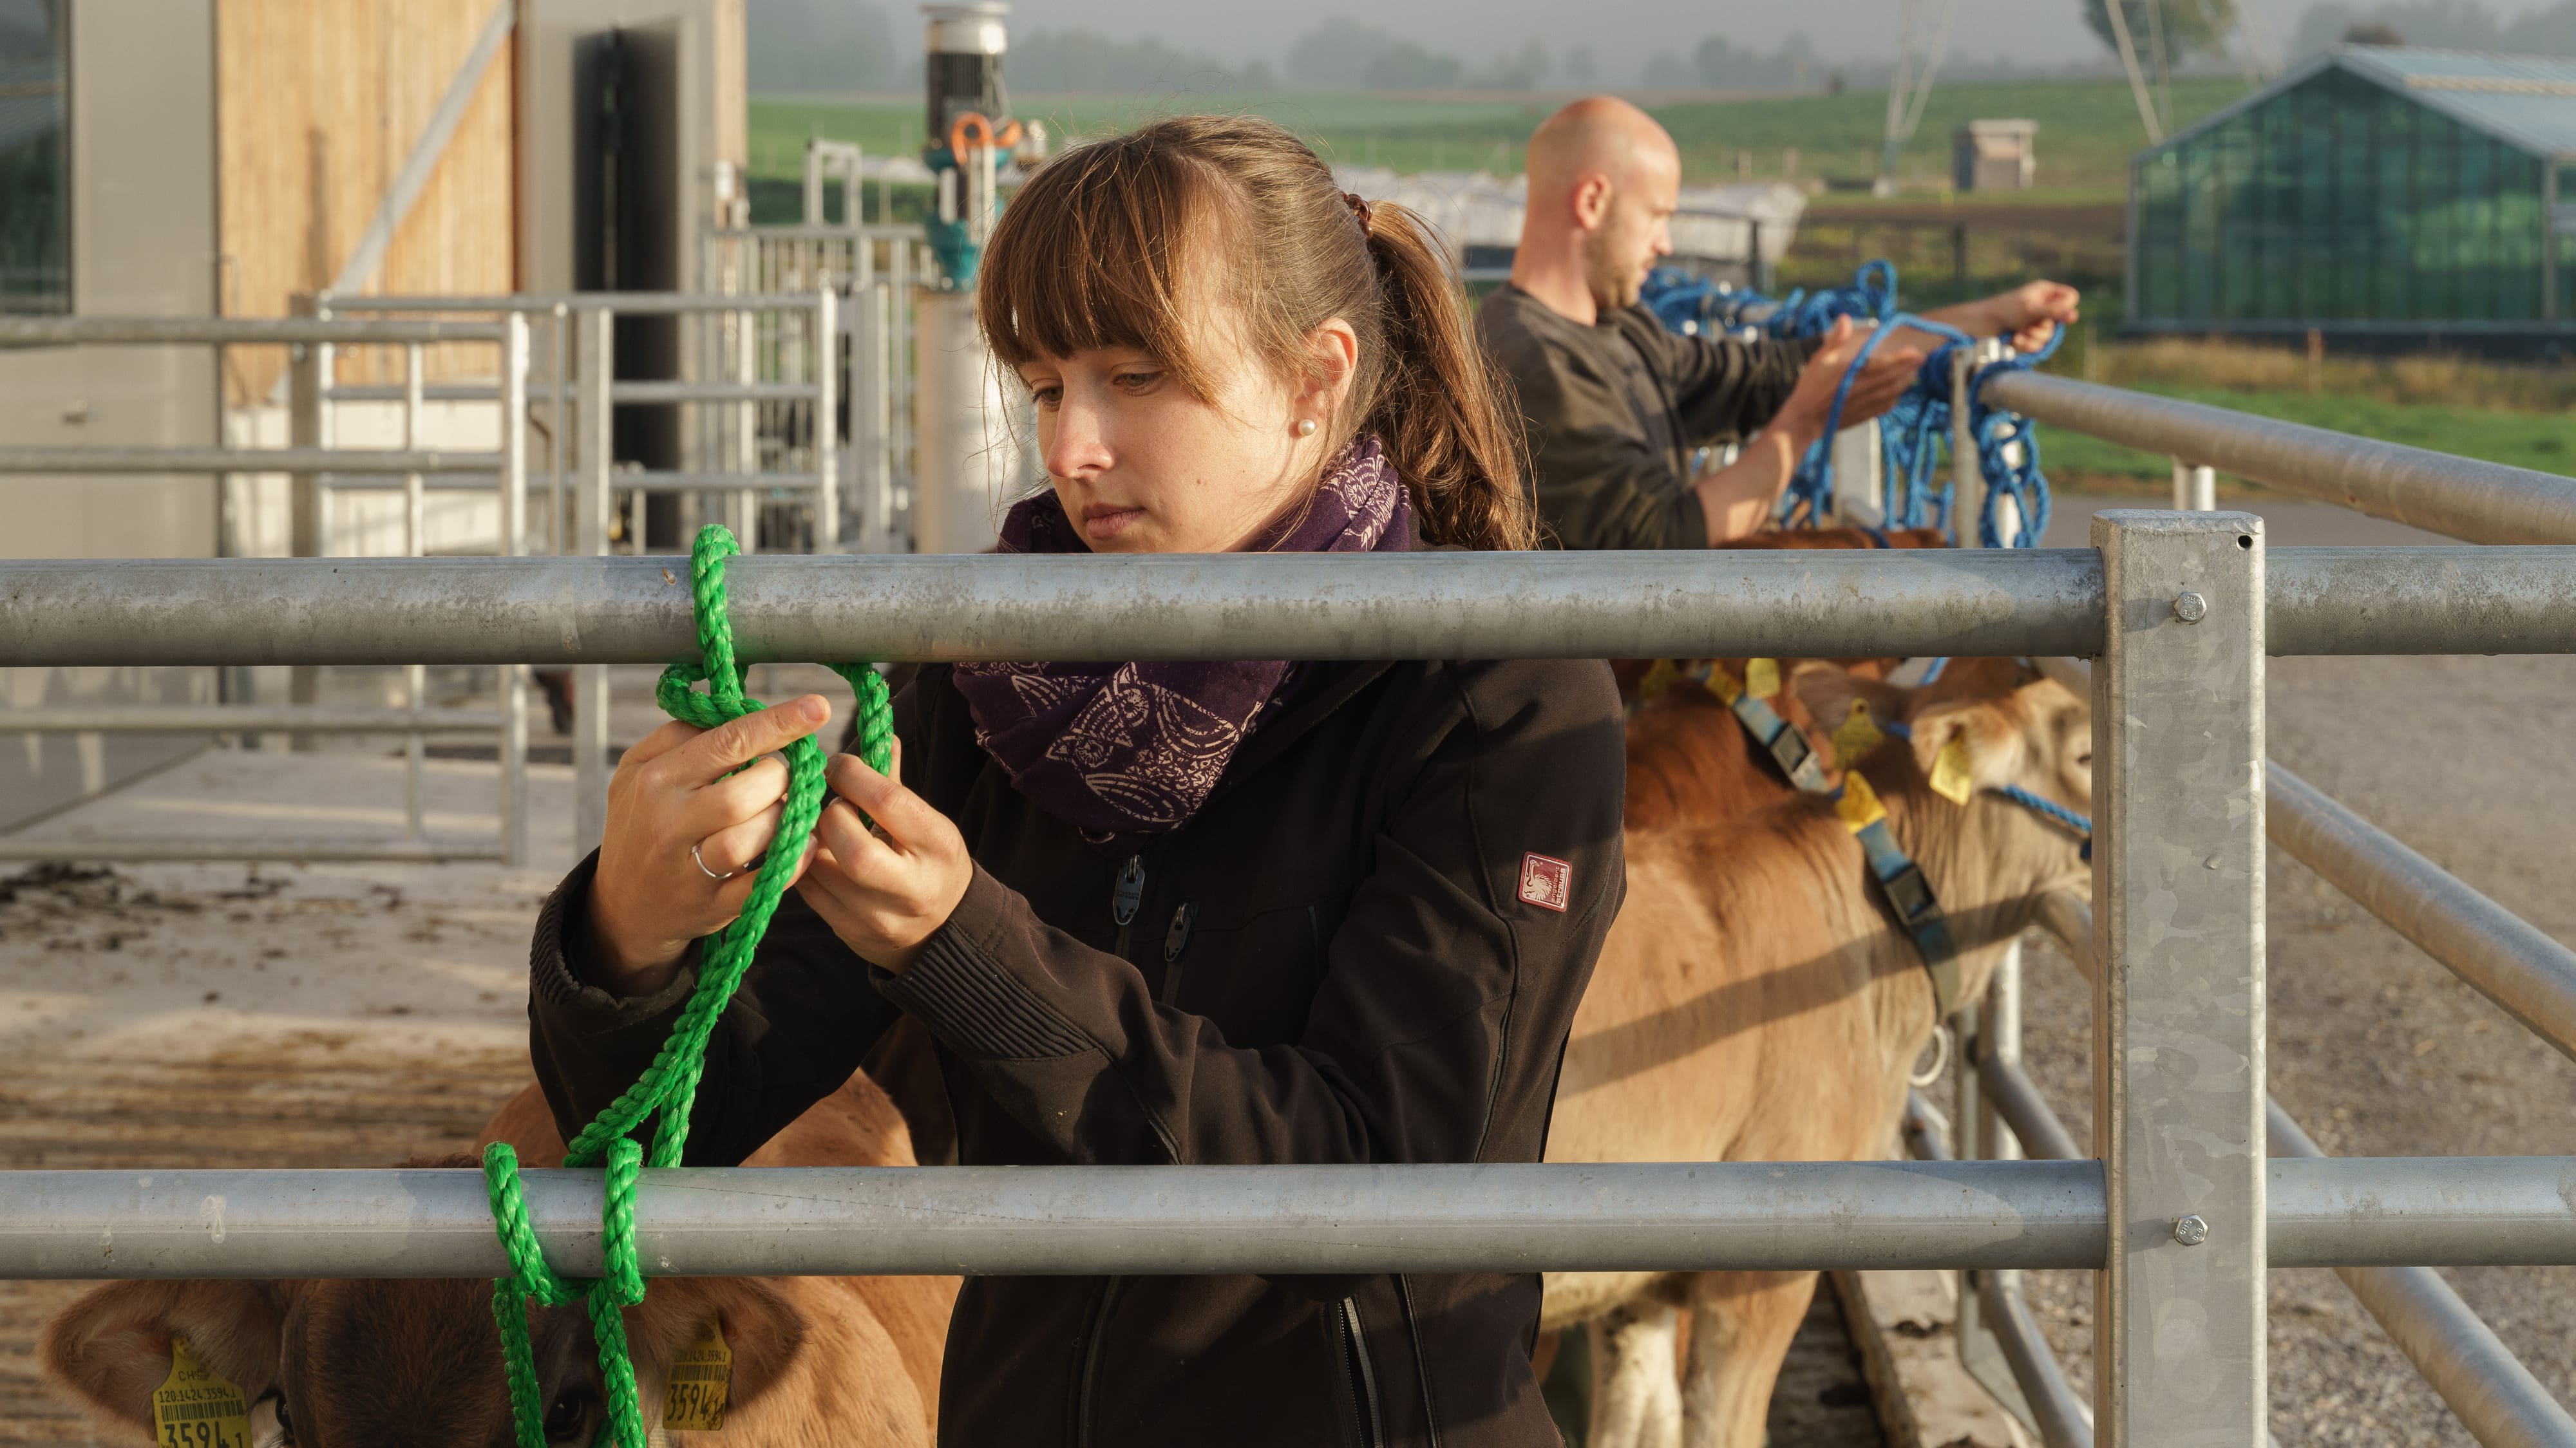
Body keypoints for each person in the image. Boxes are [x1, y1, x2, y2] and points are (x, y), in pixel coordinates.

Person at [526, 116, 1625, 1448]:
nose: (1070, 447)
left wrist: (967, 948)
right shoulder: (988, 688)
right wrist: (630, 937)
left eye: (1135, 374)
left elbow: (1375, 1183)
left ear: (1312, 378)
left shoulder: (1493, 698)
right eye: (1045, 384)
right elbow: (686, 1120)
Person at [1479, 96, 2082, 550]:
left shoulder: (1615, 327)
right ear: (1592, 202)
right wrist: (1803, 424)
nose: (1664, 244)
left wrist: (1987, 319)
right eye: (1657, 215)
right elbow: (1659, 542)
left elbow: (1777, 371)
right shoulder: (1535, 361)